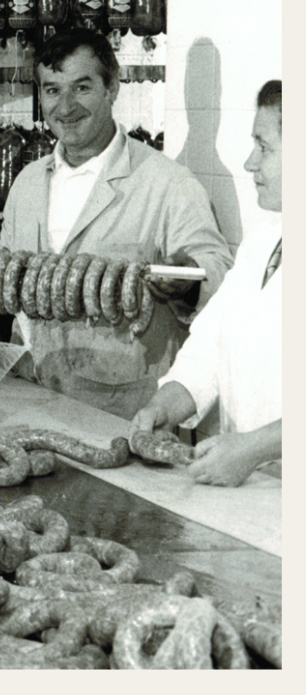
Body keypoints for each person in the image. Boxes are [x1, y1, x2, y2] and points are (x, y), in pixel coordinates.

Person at [0, 30, 234, 418]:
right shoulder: (27, 184)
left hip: (123, 409)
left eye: (82, 87)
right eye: (53, 90)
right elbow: (3, 273)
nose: (66, 106)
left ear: (112, 88)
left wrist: (188, 281)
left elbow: (220, 276)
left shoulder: (168, 183)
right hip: (31, 393)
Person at [130, 81, 282, 486]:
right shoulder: (264, 240)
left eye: (264, 148)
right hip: (252, 490)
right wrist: (163, 408)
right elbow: (209, 349)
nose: (251, 163)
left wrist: (255, 448)